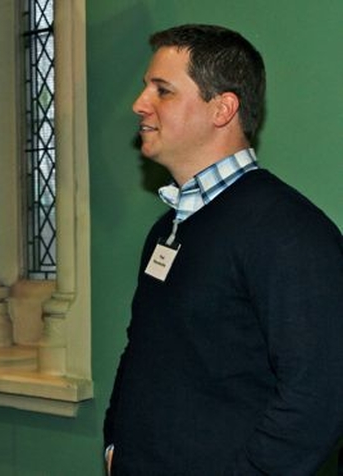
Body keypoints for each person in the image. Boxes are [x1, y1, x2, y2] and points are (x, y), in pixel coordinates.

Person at [104, 24, 343, 475]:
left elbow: (319, 395)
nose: (140, 105)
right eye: (145, 89)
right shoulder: (167, 229)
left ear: (223, 108)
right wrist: (115, 445)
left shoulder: (289, 232)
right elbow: (142, 352)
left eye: (163, 91)